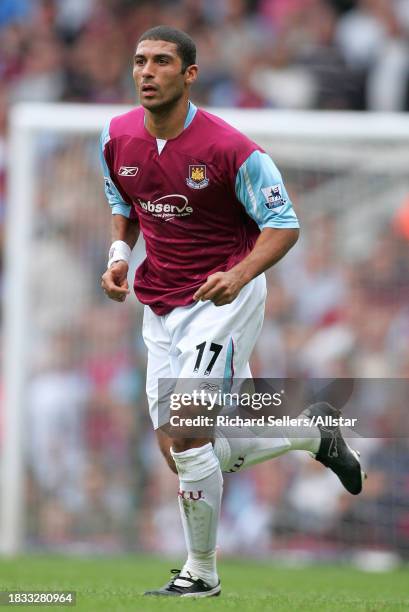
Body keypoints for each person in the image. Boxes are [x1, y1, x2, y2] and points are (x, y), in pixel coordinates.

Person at [100, 25, 365, 598]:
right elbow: (123, 203)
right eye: (140, 61)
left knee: (190, 434)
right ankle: (310, 433)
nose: (147, 72)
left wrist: (239, 275)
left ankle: (201, 572)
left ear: (189, 75)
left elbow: (285, 225)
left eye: (162, 62)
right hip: (161, 305)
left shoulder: (231, 149)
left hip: (225, 299)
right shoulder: (117, 136)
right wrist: (120, 254)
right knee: (180, 451)